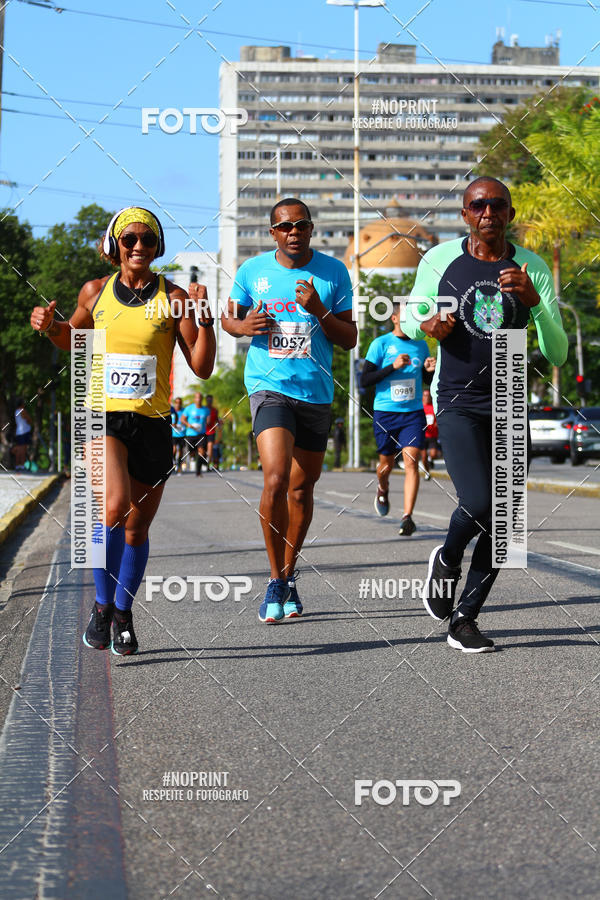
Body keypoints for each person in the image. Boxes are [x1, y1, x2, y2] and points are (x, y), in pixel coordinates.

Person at [30, 207, 215, 654]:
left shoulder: (174, 298)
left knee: (136, 528)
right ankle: (101, 605)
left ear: (157, 247)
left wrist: (206, 318)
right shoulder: (95, 292)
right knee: (112, 507)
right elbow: (73, 340)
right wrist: (51, 327)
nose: (138, 247)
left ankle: (123, 612)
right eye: (129, 239)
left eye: (147, 240)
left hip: (153, 423)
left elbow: (202, 366)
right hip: (103, 416)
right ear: (115, 245)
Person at [402, 177, 567, 653]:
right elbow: (408, 320)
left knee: (506, 520)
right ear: (465, 214)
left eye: (497, 205)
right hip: (457, 397)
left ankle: (465, 619)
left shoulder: (532, 267)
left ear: (510, 214)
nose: (488, 212)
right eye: (478, 205)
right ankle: (448, 558)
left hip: (510, 393)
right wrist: (428, 323)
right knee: (477, 503)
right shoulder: (440, 260)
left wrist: (536, 306)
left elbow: (557, 353)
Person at [221, 198, 356, 623]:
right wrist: (243, 327)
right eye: (285, 226)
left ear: (311, 229)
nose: (293, 232)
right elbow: (228, 320)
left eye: (301, 225)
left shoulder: (334, 272)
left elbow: (349, 338)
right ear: (273, 233)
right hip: (269, 387)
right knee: (276, 478)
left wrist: (319, 311)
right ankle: (275, 579)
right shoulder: (252, 271)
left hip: (315, 392)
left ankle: (291, 572)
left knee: (301, 489)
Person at [361, 303, 436, 535]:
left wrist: (429, 371)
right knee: (386, 466)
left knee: (412, 460)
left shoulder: (421, 344)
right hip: (385, 413)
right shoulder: (380, 344)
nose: (411, 319)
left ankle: (407, 517)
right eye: (405, 315)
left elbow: (425, 380)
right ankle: (382, 488)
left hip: (412, 413)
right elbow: (364, 380)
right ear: (394, 318)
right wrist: (392, 367)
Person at [181, 392, 209, 477]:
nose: (198, 399)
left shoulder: (206, 410)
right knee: (192, 453)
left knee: (201, 452)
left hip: (201, 434)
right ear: (194, 399)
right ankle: (195, 457)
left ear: (202, 399)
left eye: (200, 398)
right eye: (197, 398)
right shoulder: (189, 408)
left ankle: (198, 471)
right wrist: (188, 425)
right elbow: (182, 419)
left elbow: (208, 421)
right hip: (190, 434)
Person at [421, 387, 440, 477]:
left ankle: (430, 459)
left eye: (428, 396)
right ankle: (427, 473)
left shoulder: (434, 407)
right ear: (422, 397)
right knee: (423, 456)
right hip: (423, 435)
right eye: (425, 395)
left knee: (433, 454)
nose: (427, 397)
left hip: (433, 435)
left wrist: (437, 423)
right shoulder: (420, 408)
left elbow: (438, 418)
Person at [12, 399, 33, 470]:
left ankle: (18, 465)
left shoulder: (16, 411)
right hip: (24, 432)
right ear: (22, 404)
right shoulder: (22, 410)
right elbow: (28, 419)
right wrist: (30, 419)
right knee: (23, 450)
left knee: (20, 450)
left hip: (19, 432)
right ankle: (22, 465)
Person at [204, 395, 221, 469]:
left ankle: (208, 465)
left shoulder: (215, 410)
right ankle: (203, 462)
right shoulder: (203, 409)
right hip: (202, 432)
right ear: (206, 400)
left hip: (211, 432)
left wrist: (219, 422)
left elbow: (217, 420)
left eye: (211, 400)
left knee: (210, 448)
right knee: (203, 450)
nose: (209, 401)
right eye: (208, 400)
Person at [171, 396, 186, 475]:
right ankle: (173, 464)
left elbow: (187, 420)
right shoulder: (171, 411)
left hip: (182, 434)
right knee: (173, 450)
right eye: (176, 403)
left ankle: (179, 466)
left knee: (180, 451)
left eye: (179, 403)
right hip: (173, 434)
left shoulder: (184, 411)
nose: (178, 404)